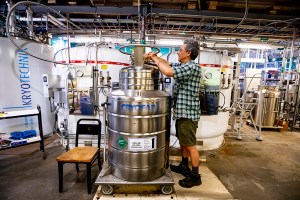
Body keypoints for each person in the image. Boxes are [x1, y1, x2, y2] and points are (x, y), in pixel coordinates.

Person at [146, 39, 202, 188]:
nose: (178, 52)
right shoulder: (184, 65)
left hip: (188, 114)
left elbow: (168, 71)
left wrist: (154, 59)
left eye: (180, 50)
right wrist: (155, 57)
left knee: (190, 145)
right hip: (181, 112)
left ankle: (196, 176)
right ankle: (184, 166)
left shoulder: (191, 67)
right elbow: (168, 64)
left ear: (188, 53)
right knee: (184, 142)